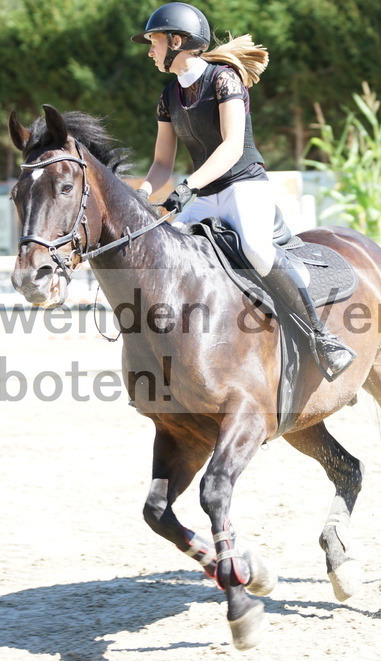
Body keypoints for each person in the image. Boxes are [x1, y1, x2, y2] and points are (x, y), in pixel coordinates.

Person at [132, 2, 355, 380]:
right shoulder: (168, 96)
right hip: (202, 195)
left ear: (177, 41)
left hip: (243, 186)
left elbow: (232, 147)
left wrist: (189, 186)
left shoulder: (224, 80)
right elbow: (161, 164)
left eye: (153, 41)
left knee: (255, 247)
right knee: (166, 251)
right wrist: (144, 195)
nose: (149, 49)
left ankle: (321, 337)